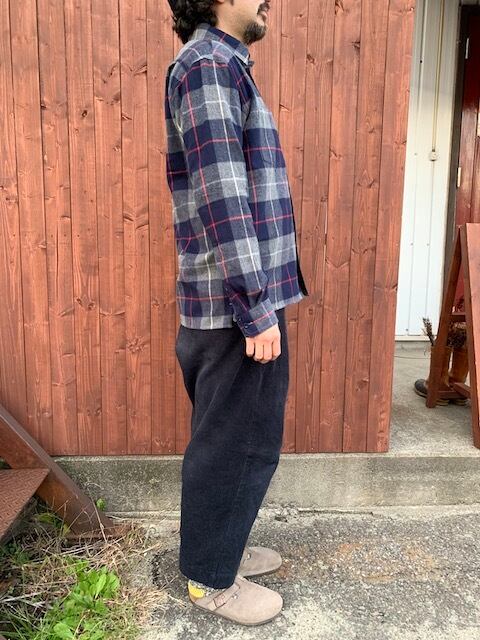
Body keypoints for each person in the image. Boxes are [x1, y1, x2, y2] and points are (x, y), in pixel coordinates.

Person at [164, 0, 309, 626]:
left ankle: (221, 547)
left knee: (236, 438)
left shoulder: (223, 66)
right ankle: (210, 580)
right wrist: (255, 308)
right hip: (234, 307)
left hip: (236, 301)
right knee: (233, 445)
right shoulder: (207, 66)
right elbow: (224, 197)